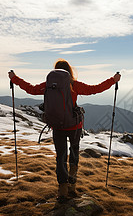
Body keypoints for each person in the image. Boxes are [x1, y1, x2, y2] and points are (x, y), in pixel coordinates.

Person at [8, 59, 121, 203]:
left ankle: (62, 191)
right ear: (69, 71)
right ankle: (72, 186)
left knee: (60, 157)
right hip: (74, 126)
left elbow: (31, 89)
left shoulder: (49, 86)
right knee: (74, 154)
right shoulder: (73, 85)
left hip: (57, 126)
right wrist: (113, 80)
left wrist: (14, 78)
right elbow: (95, 89)